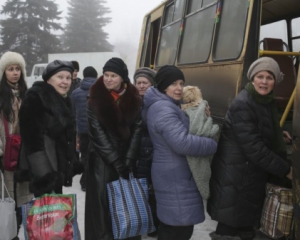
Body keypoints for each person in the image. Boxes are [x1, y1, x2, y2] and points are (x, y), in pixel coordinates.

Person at [207, 57, 293, 240]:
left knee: (244, 227)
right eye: (260, 76)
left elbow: (259, 126)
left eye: (269, 77)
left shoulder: (265, 100)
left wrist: (280, 132)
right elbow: (254, 148)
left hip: (245, 178)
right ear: (252, 79)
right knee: (229, 228)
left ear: (275, 80)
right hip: (236, 179)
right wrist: (286, 170)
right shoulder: (243, 104)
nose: (264, 81)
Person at [142, 65, 217, 240]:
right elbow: (182, 143)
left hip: (175, 175)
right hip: (175, 177)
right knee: (177, 230)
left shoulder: (167, 105)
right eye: (173, 84)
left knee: (176, 228)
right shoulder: (163, 108)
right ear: (162, 86)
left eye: (181, 83)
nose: (178, 88)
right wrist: (212, 144)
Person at [85, 57, 143, 240]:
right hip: (102, 163)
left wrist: (128, 160)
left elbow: (137, 131)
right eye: (106, 75)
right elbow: (98, 135)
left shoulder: (135, 99)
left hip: (126, 160)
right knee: (102, 213)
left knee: (127, 207)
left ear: (123, 78)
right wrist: (117, 162)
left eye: (113, 75)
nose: (108, 79)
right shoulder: (94, 100)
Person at [18, 60, 84, 198]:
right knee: (45, 214)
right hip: (43, 171)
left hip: (56, 167)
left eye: (68, 78)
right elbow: (32, 141)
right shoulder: (35, 98)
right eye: (60, 77)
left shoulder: (65, 100)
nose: (65, 82)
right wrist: (45, 177)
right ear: (48, 80)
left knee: (55, 214)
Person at [0, 51, 32, 240]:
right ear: (4, 72)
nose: (15, 73)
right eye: (10, 69)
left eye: (18, 69)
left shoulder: (27, 95)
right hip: (5, 158)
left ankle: (16, 234)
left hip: (24, 157)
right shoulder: (1, 96)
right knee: (6, 202)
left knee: (23, 204)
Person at [133, 67, 160, 237]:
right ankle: (141, 223)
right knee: (139, 190)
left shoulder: (156, 103)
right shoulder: (131, 101)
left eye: (145, 83)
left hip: (152, 152)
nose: (141, 86)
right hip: (137, 153)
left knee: (152, 190)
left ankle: (153, 224)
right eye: (138, 82)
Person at [181, 85, 219, 201]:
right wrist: (210, 120)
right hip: (201, 152)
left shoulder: (180, 112)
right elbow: (210, 131)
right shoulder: (204, 110)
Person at [71, 66, 98, 192]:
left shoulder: (75, 93)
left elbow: (72, 112)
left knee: (85, 155)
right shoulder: (100, 91)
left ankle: (84, 182)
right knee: (97, 155)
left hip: (82, 130)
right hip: (97, 130)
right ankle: (93, 180)